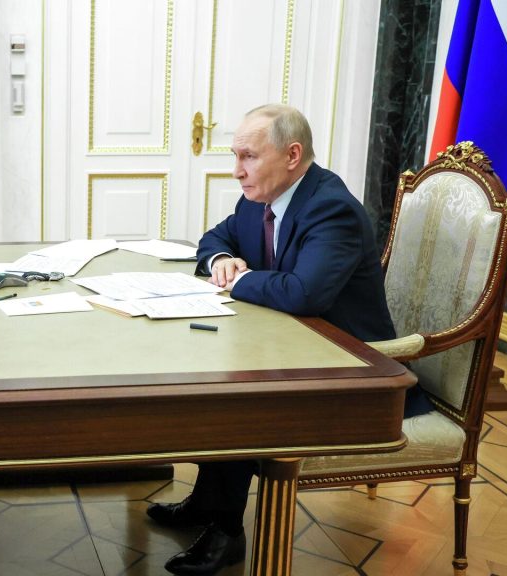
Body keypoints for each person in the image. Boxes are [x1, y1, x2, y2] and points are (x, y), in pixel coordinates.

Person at [148, 104, 431, 576]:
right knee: (221, 375)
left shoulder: (331, 209)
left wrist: (238, 281)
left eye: (249, 157)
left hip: (357, 372)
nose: (237, 171)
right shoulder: (260, 199)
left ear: (292, 155)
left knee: (240, 395)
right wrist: (221, 259)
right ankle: (208, 502)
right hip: (297, 350)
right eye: (236, 156)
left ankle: (226, 533)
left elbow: (304, 293)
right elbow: (216, 237)